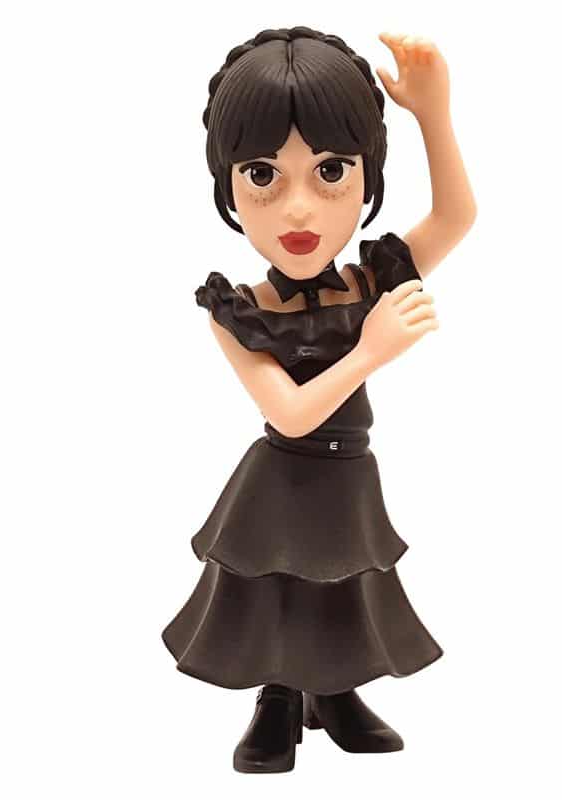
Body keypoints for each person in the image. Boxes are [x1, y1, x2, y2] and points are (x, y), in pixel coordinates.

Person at [162, 25, 477, 773]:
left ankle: (334, 693)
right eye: (263, 175)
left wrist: (434, 115)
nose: (299, 210)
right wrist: (372, 350)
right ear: (228, 187)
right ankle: (277, 698)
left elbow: (456, 218)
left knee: (341, 590)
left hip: (349, 475)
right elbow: (289, 411)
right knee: (276, 591)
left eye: (331, 170)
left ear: (368, 177)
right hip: (280, 478)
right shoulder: (239, 309)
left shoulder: (371, 278)